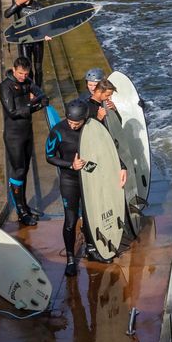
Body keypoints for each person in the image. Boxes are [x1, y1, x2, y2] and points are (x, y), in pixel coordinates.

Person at [46, 98, 125, 274]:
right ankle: (70, 258)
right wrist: (70, 165)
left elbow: (108, 150)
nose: (73, 126)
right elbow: (49, 156)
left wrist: (122, 167)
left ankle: (92, 249)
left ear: (85, 119)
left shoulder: (93, 127)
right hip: (70, 180)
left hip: (92, 178)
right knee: (71, 220)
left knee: (92, 216)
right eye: (70, 122)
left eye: (77, 123)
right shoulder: (58, 131)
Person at [0, 57, 46, 225]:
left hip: (27, 132)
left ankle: (24, 205)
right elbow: (12, 112)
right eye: (20, 73)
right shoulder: (5, 86)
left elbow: (41, 94)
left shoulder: (27, 81)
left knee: (25, 169)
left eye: (25, 74)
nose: (23, 76)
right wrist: (34, 104)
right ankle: (20, 210)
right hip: (14, 136)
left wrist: (39, 101)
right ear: (14, 69)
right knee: (18, 171)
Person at [3, 0, 46, 86]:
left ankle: (38, 89)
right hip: (24, 41)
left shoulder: (39, 6)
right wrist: (17, 3)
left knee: (38, 67)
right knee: (27, 67)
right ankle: (29, 88)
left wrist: (47, 34)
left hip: (37, 40)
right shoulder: (18, 7)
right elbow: (6, 14)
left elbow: (47, 21)